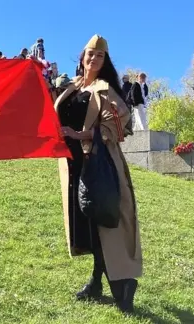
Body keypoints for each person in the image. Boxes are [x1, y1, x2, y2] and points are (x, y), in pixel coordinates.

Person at [53, 34, 142, 314]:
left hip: (99, 163)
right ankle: (95, 281)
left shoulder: (106, 90)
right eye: (89, 54)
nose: (93, 59)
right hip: (73, 163)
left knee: (105, 223)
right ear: (82, 57)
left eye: (99, 56)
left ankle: (122, 285)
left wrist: (79, 134)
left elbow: (118, 124)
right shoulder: (73, 86)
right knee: (89, 226)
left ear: (104, 62)